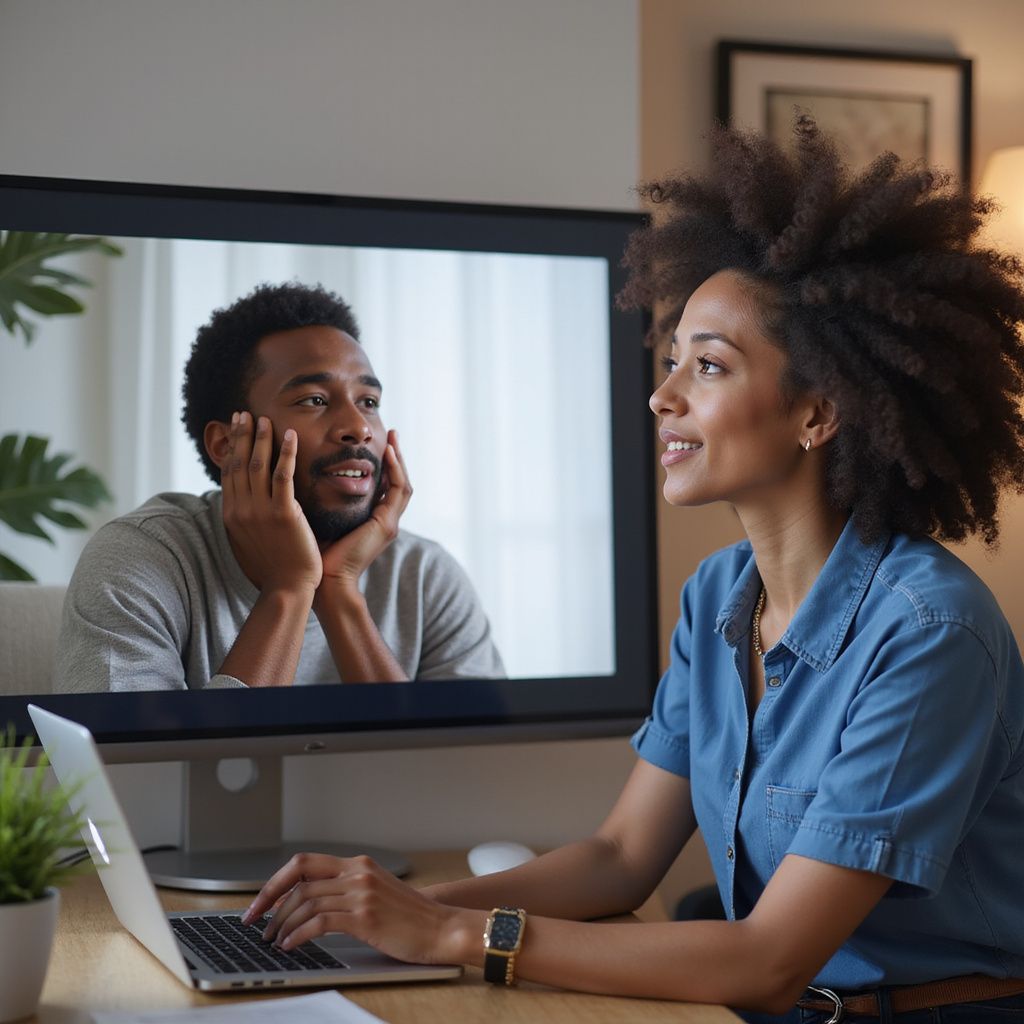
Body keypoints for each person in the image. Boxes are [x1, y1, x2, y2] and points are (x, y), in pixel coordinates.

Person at [241, 118, 1024, 1022]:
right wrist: (380, 915)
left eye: (710, 366)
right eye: (670, 361)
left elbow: (768, 960)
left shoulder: (930, 635)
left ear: (819, 411)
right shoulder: (720, 599)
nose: (664, 395)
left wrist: (454, 936)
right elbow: (620, 856)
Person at [55, 282, 505, 691]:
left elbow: (463, 772)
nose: (358, 428)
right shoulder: (143, 560)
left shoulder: (425, 576)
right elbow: (133, 774)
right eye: (314, 400)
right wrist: (290, 588)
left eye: (369, 402)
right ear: (227, 443)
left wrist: (339, 590)